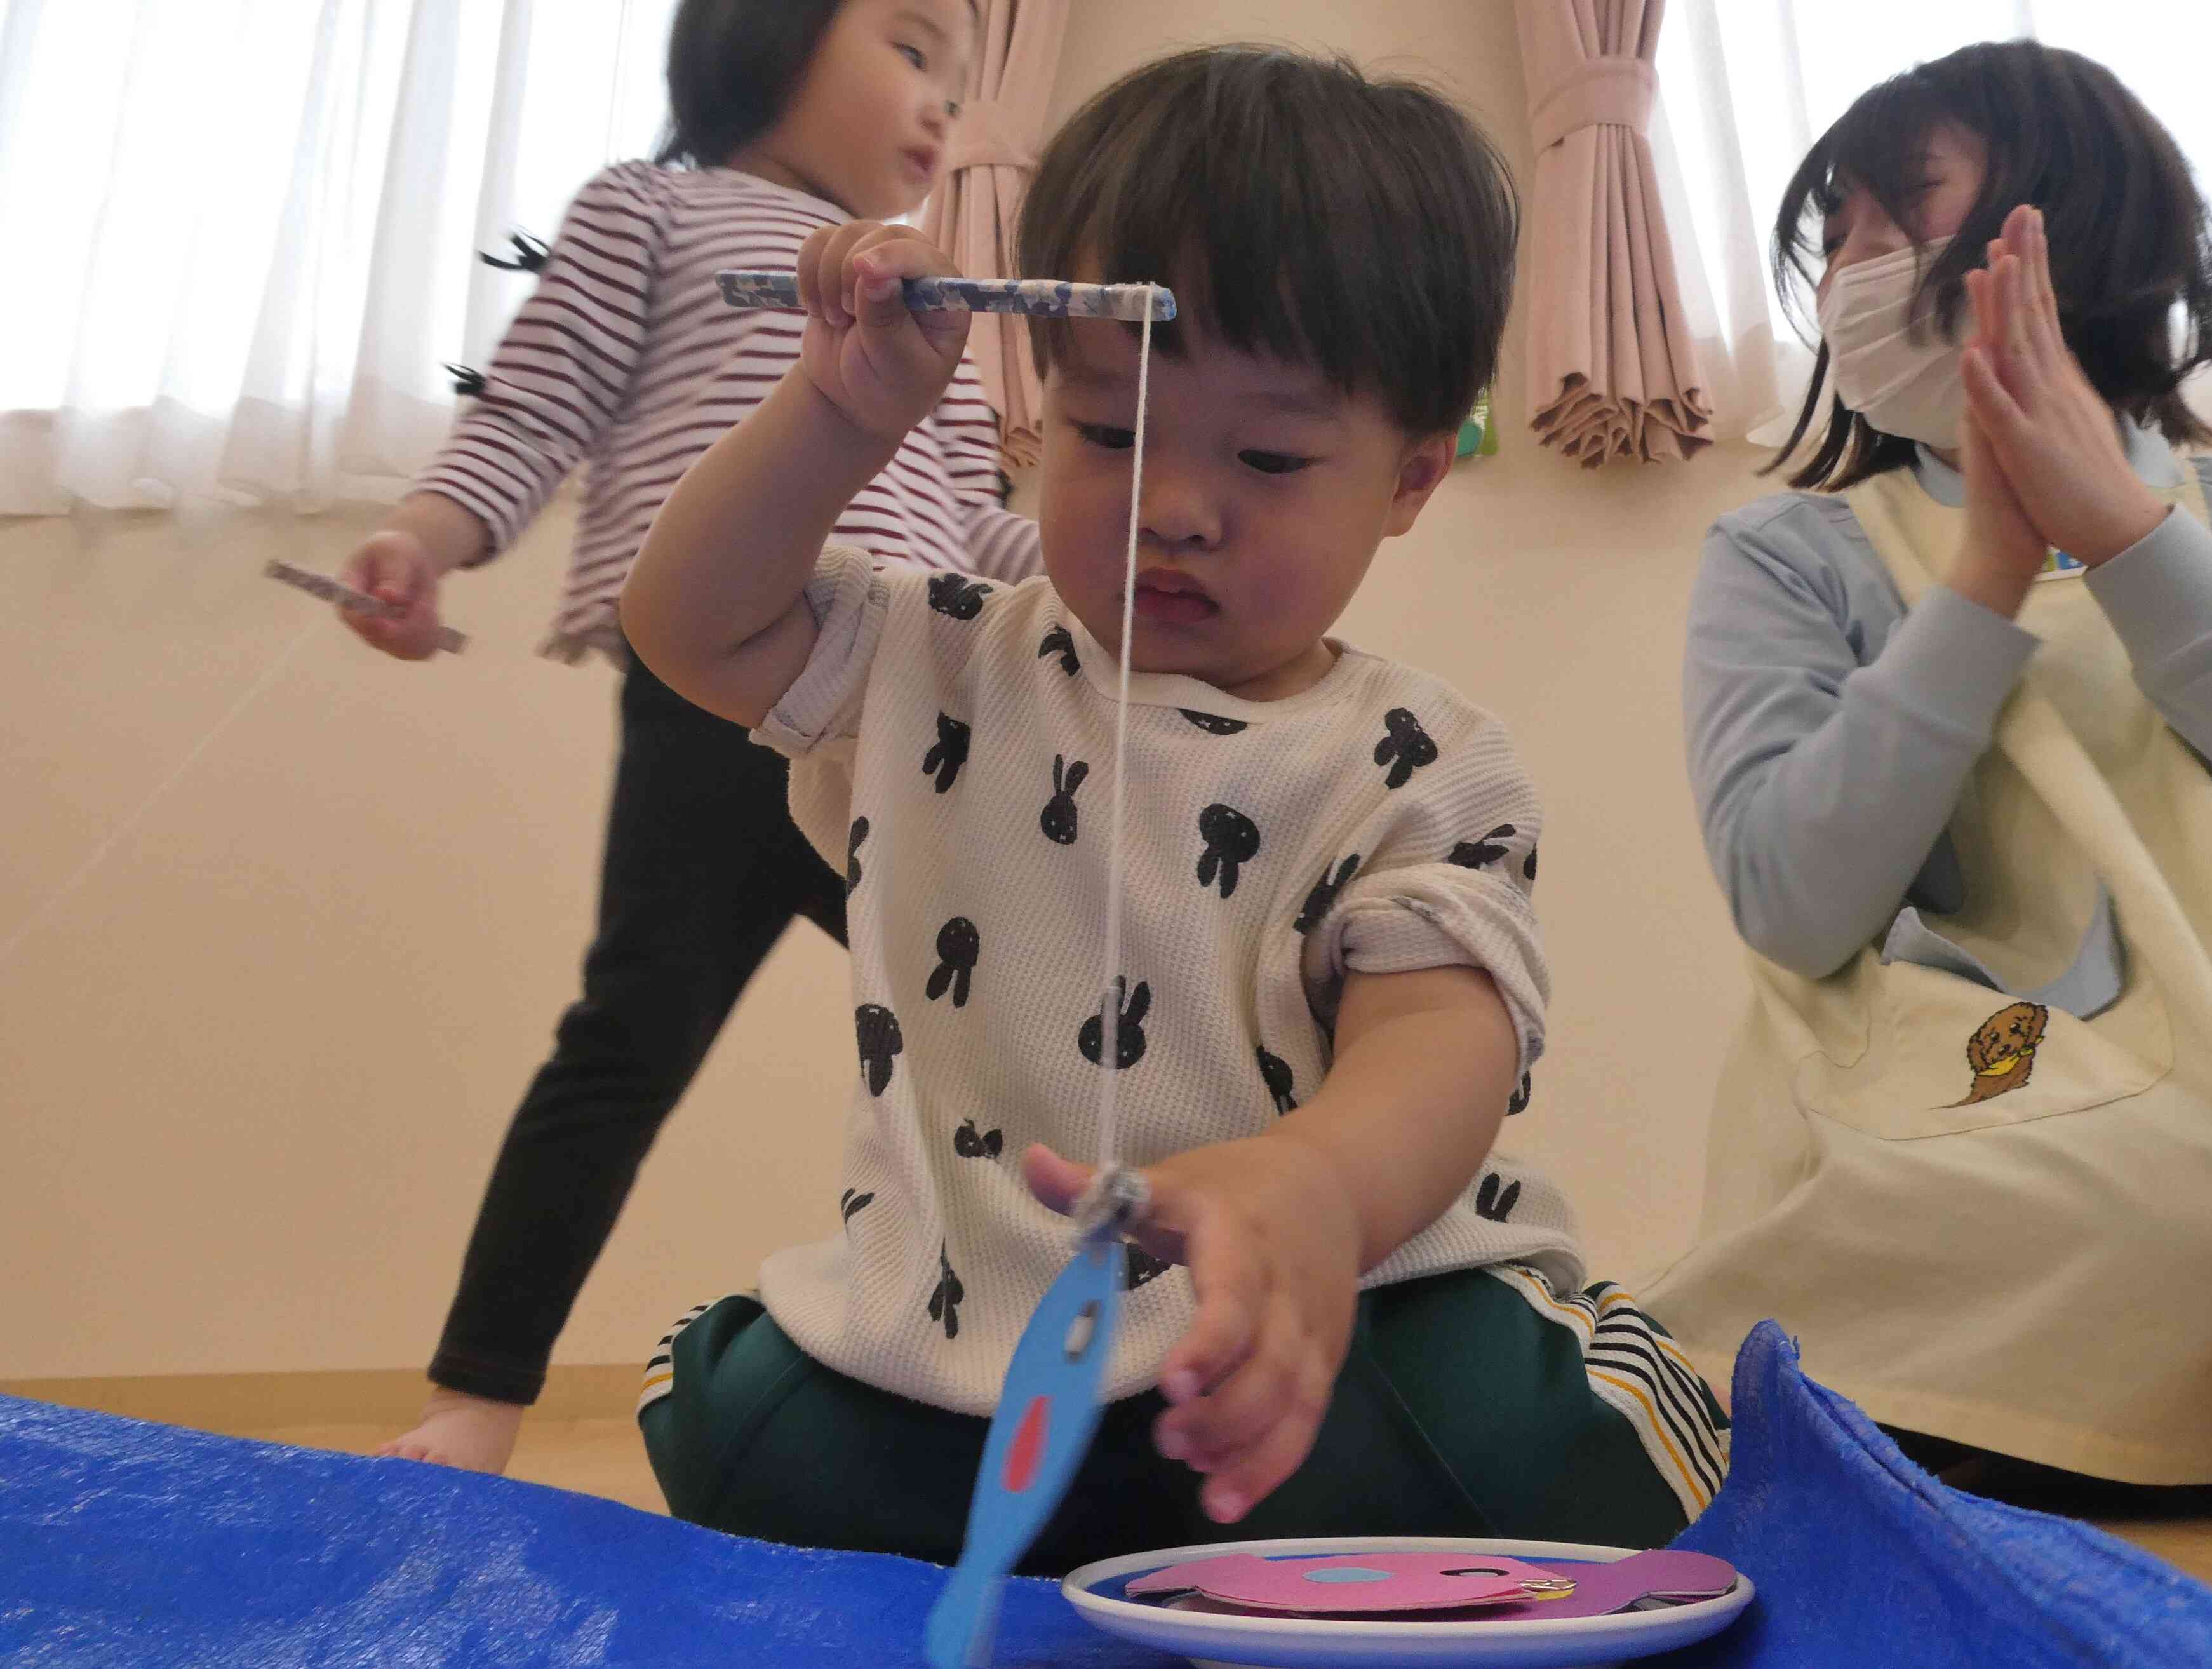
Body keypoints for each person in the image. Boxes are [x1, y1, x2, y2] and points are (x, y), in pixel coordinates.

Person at [622, 44, 1727, 1570]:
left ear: (1412, 479)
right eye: (1110, 433)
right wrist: (836, 414)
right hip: (970, 1348)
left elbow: (1442, 1033)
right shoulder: (932, 658)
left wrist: (1313, 1191)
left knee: (1515, 1440)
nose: (1175, 505)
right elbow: (689, 627)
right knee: (743, 1420)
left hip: (1323, 1330)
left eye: (1269, 455)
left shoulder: (1419, 760)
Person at [337, 0, 1039, 1474]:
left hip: (922, 718)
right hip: (724, 688)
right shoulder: (649, 210)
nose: (942, 107)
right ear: (763, 34)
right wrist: (424, 535)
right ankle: (477, 1398)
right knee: (628, 1034)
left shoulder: (938, 299)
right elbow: (532, 409)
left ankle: (1016, 1363)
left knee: (999, 1042)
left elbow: (978, 522)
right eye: (912, 52)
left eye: (959, 80)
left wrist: (1115, 575)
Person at [1646, 41, 2212, 1487]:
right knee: (2131, 1209)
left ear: (2076, 210)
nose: (1853, 266)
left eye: (1898, 209)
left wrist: (2128, 537)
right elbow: (1794, 903)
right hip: (1985, 1090)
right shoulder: (1792, 557)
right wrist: (1984, 579)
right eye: (1833, 234)